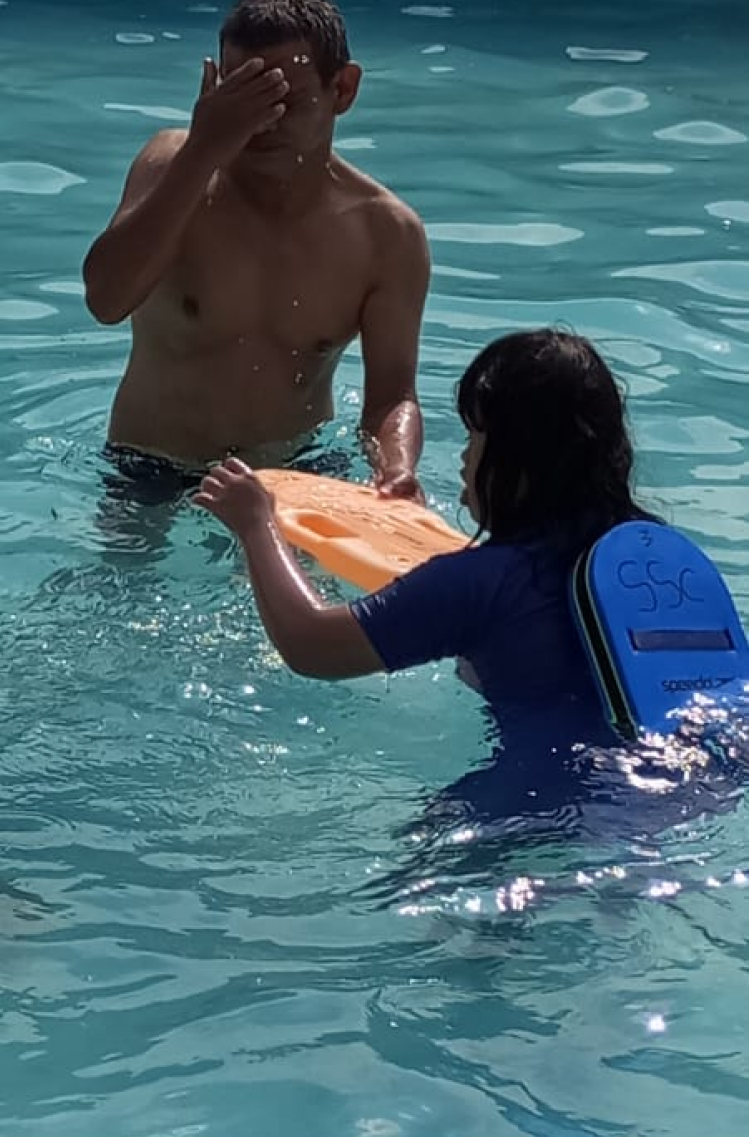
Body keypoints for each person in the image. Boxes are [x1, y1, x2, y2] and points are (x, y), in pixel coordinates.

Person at [193, 328, 660, 741]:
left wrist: (257, 525)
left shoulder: (479, 582)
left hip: (537, 797)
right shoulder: (654, 552)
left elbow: (312, 644)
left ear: (517, 459)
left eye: (474, 439)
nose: (464, 459)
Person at [82, 0, 430, 507]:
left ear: (343, 89)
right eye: (244, 98)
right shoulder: (173, 166)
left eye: (283, 100)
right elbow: (105, 301)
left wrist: (396, 469)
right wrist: (202, 151)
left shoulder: (386, 234)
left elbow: (392, 396)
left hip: (298, 467)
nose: (262, 123)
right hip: (149, 467)